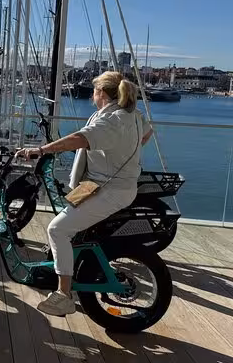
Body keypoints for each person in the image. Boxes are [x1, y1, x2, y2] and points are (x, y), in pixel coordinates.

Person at [16, 71, 153, 316]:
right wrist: (126, 152)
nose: (92, 95)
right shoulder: (130, 114)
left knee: (57, 229)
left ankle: (64, 294)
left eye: (94, 90)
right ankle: (68, 266)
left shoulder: (111, 121)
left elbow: (79, 138)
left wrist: (40, 150)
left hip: (110, 190)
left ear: (101, 93)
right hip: (102, 185)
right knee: (67, 217)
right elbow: (147, 133)